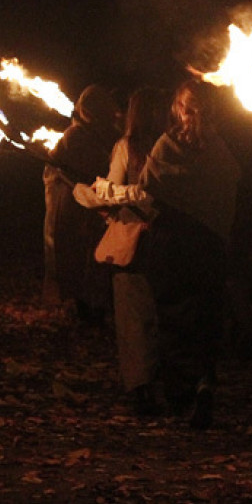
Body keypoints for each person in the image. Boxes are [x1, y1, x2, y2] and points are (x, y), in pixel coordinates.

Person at [74, 79, 241, 428]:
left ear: (179, 109)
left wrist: (105, 192)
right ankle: (203, 381)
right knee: (203, 318)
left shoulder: (169, 146)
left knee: (176, 320)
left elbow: (148, 192)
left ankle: (185, 394)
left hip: (174, 245)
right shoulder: (223, 148)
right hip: (210, 247)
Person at [105, 86, 171, 416]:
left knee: (139, 318)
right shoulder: (161, 147)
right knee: (145, 317)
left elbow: (117, 191)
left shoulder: (162, 148)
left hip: (151, 242)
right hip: (141, 242)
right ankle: (147, 387)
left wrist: (111, 195)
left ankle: (145, 385)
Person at [42, 84, 122, 322]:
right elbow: (93, 165)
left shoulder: (98, 134)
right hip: (73, 204)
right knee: (74, 252)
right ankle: (78, 303)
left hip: (92, 204)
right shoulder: (75, 136)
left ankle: (91, 301)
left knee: (91, 253)